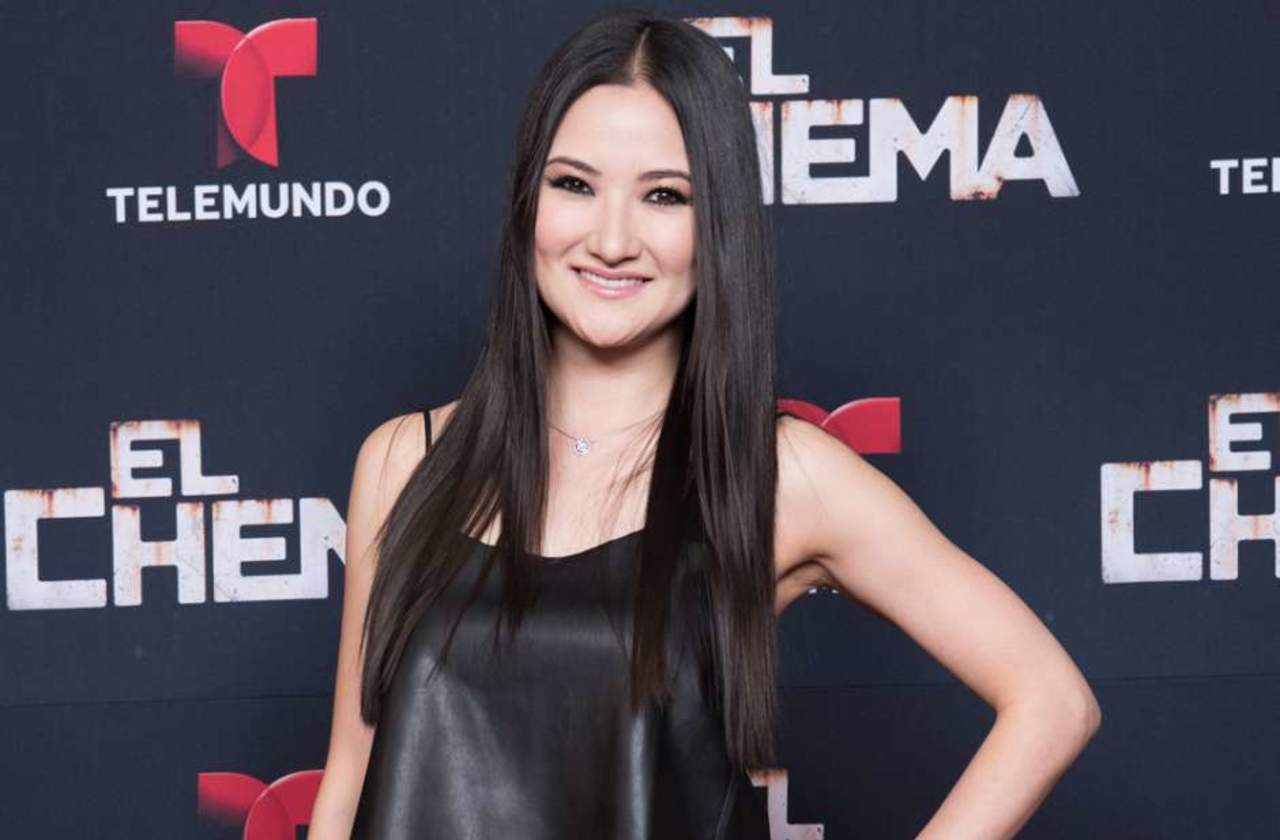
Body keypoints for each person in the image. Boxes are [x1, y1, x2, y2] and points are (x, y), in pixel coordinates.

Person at [309, 9, 1101, 839]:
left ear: (717, 220)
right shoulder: (403, 461)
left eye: (664, 196)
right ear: (525, 201)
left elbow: (1052, 701)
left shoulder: (778, 474)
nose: (611, 240)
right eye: (574, 185)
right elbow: (351, 776)